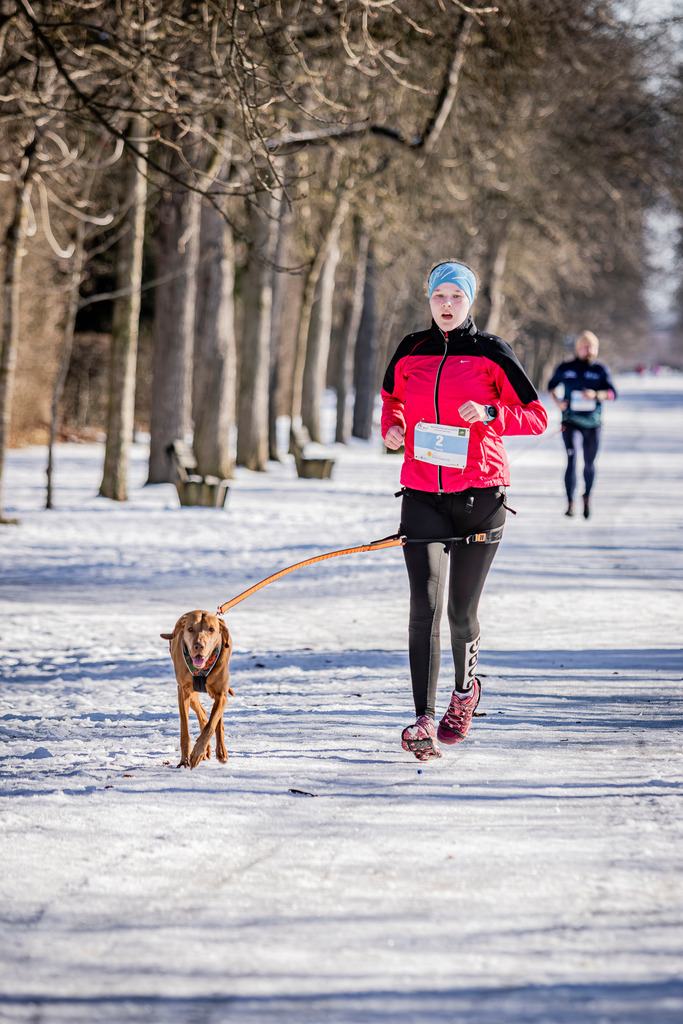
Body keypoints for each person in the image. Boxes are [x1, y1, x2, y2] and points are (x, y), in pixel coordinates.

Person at [381, 260, 548, 762]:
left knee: (459, 612)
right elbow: (391, 399)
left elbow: (537, 417)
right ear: (429, 300)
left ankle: (464, 693)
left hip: (481, 495)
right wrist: (392, 427)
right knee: (424, 606)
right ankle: (422, 718)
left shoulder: (491, 352)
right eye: (439, 296)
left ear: (469, 301)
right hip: (422, 493)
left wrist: (491, 413)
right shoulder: (412, 349)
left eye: (456, 296)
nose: (447, 305)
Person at [547, 331, 617, 519]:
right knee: (572, 459)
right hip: (571, 423)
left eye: (593, 347)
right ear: (578, 348)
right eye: (586, 347)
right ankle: (570, 503)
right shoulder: (566, 368)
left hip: (593, 425)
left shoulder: (600, 369)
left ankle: (587, 497)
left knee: (589, 463)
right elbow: (550, 387)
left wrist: (597, 395)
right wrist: (558, 402)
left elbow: (613, 393)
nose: (589, 350)